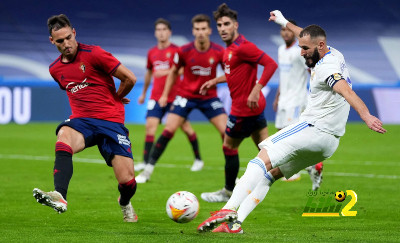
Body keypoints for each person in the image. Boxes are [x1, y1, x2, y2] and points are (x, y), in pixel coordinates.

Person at [197, 10, 386, 233]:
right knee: (270, 175)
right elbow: (303, 35)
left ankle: (228, 208)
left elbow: (346, 91)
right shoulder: (333, 53)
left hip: (312, 129)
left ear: (321, 46)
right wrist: (284, 21)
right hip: (329, 144)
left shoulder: (327, 68)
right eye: (301, 47)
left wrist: (366, 115)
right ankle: (234, 224)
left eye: (305, 49)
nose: (301, 52)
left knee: (260, 157)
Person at [32, 14, 139, 223]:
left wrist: (115, 98)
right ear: (52, 41)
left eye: (68, 38)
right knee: (63, 134)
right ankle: (60, 195)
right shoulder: (55, 69)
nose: (66, 44)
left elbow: (130, 78)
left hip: (111, 121)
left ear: (74, 33)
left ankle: (124, 202)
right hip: (82, 121)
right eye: (60, 41)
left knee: (127, 181)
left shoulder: (95, 53)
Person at [199, 3, 278, 202]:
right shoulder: (229, 50)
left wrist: (256, 88)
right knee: (265, 149)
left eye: (226, 24)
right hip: (254, 107)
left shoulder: (244, 47)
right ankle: (277, 175)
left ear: (236, 25)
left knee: (229, 147)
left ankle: (227, 191)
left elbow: (271, 64)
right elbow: (234, 74)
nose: (222, 28)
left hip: (243, 109)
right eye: (219, 25)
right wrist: (216, 80)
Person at [135, 14, 227, 183]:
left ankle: (230, 176)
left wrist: (215, 81)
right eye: (197, 29)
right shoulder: (183, 51)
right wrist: (164, 94)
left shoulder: (219, 51)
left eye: (203, 29)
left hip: (209, 96)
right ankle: (147, 171)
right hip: (185, 96)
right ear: (193, 31)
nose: (200, 32)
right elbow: (173, 73)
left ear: (209, 30)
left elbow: (230, 73)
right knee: (168, 130)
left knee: (226, 132)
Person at [136, 18, 204, 173]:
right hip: (156, 96)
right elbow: (149, 73)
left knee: (186, 128)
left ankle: (198, 159)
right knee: (150, 128)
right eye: (158, 30)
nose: (161, 33)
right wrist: (144, 93)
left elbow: (182, 70)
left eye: (164, 30)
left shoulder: (176, 51)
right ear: (155, 33)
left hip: (175, 97)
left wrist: (165, 72)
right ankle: (146, 162)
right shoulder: (152, 52)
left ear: (169, 32)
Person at [273, 19, 324, 188]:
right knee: (281, 135)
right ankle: (312, 166)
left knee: (288, 137)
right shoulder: (281, 50)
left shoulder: (300, 51)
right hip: (284, 100)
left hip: (296, 100)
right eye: (282, 30)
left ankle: (296, 170)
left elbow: (312, 70)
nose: (285, 33)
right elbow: (283, 76)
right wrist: (277, 97)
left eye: (288, 30)